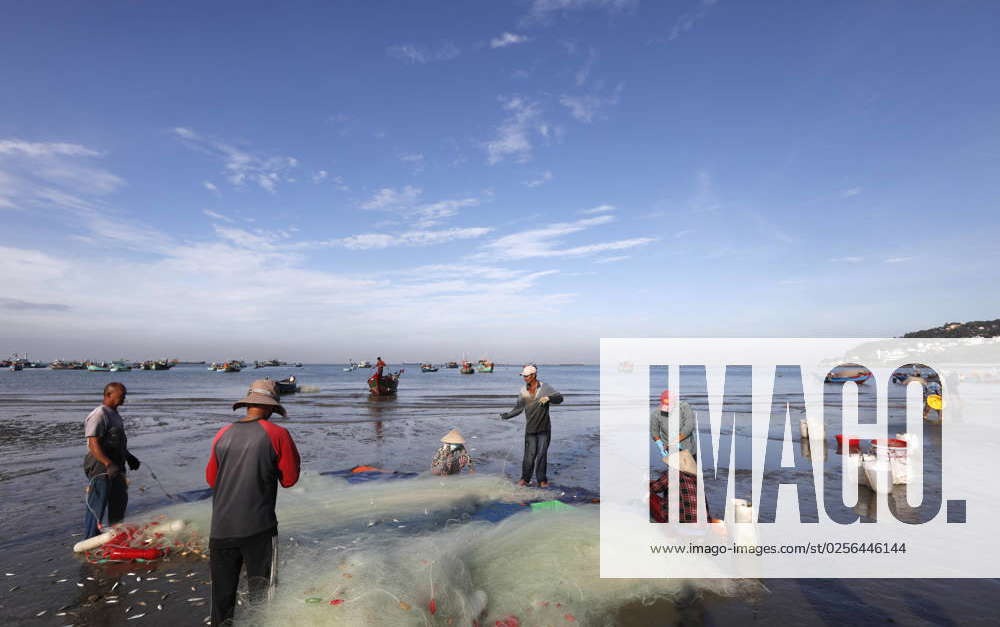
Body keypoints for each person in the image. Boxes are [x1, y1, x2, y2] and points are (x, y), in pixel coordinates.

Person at [206, 379, 301, 627]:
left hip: (220, 530)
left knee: (221, 602)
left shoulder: (222, 434)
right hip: (258, 529)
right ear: (270, 407)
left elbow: (211, 479)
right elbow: (289, 479)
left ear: (248, 404)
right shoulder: (278, 434)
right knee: (263, 601)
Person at [83, 382, 140, 539]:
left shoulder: (114, 414)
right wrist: (108, 464)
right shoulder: (99, 414)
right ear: (109, 395)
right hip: (100, 465)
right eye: (121, 395)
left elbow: (117, 442)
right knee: (97, 504)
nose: (124, 398)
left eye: (125, 395)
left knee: (119, 500)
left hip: (117, 463)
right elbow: (93, 443)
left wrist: (129, 457)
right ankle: (90, 538)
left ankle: (116, 535)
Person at [499, 365, 563, 487]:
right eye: (523, 376)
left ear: (533, 375)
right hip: (531, 429)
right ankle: (525, 479)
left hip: (544, 429)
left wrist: (549, 398)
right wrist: (507, 415)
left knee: (542, 455)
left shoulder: (545, 387)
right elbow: (518, 408)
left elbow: (560, 398)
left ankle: (542, 480)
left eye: (526, 376)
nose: (525, 378)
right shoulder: (523, 390)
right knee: (529, 456)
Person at [649, 390, 697, 461]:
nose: (668, 408)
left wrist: (674, 441)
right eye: (665, 405)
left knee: (691, 470)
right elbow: (654, 431)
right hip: (669, 447)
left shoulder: (684, 407)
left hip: (686, 446)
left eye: (670, 405)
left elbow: (689, 427)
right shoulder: (656, 413)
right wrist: (660, 444)